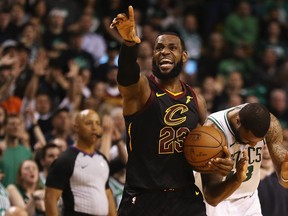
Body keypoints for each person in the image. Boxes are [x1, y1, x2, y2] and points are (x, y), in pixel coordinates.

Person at [109, 6, 233, 216]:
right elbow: (127, 76)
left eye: (172, 47)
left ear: (184, 56)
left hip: (185, 199)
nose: (164, 51)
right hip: (143, 198)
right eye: (159, 48)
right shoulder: (142, 90)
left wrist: (219, 166)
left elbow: (205, 155)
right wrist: (129, 45)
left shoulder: (196, 100)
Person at [201, 103, 288, 216]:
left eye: (259, 141)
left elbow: (284, 182)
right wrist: (237, 179)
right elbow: (211, 198)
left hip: (249, 200)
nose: (253, 145)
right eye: (248, 140)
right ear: (238, 122)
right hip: (218, 204)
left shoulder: (271, 125)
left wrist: (285, 176)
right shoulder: (213, 130)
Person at [44, 109, 117, 216]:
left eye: (97, 123)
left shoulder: (102, 159)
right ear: (76, 127)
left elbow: (107, 194)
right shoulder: (66, 160)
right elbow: (50, 198)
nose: (94, 127)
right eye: (89, 123)